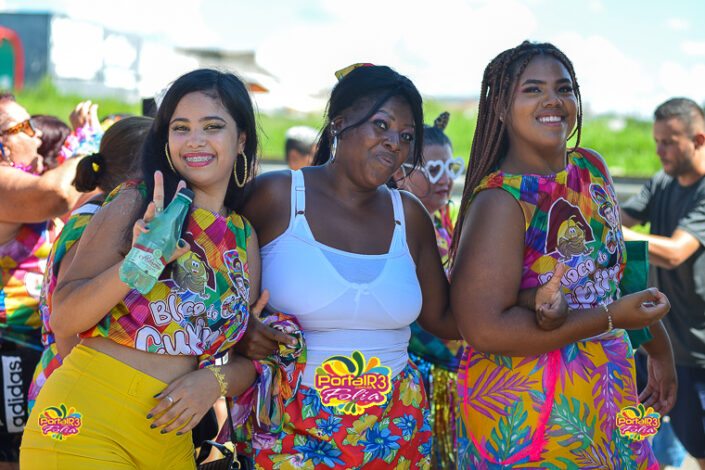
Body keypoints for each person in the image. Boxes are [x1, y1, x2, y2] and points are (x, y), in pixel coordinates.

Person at [20, 69, 291, 469]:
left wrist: (213, 382)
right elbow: (64, 319)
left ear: (241, 140)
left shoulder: (242, 236)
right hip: (87, 421)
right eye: (181, 128)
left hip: (169, 440)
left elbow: (246, 361)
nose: (195, 140)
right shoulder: (135, 201)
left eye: (212, 126)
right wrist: (138, 262)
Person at [450, 41, 672, 468]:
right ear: (500, 107)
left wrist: (659, 348)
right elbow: (484, 329)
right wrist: (610, 319)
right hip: (531, 415)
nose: (553, 100)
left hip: (609, 393)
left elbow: (611, 276)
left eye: (564, 88)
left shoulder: (591, 168)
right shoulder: (502, 201)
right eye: (532, 89)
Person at [241, 63, 458, 468]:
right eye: (381, 125)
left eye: (406, 136)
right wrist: (240, 332)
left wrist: (524, 290)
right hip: (292, 431)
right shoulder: (277, 196)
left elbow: (444, 319)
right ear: (339, 123)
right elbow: (214, 283)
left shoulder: (410, 216)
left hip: (395, 433)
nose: (394, 142)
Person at [27, 116, 153, 413]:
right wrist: (88, 385)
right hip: (71, 393)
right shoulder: (97, 222)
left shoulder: (101, 211)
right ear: (144, 169)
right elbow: (65, 319)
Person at [0, 93, 84, 467]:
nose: (36, 136)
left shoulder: (21, 180)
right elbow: (56, 195)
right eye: (23, 127)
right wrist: (87, 148)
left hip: (34, 344)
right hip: (8, 347)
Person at [621, 97, 705, 469]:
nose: (659, 151)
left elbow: (674, 252)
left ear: (698, 140)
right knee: (635, 437)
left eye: (668, 142)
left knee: (700, 450)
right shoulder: (661, 181)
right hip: (652, 346)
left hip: (695, 353)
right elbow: (620, 215)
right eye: (656, 141)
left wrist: (614, 233)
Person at [393, 111, 465, 468]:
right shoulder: (392, 227)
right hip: (412, 374)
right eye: (433, 170)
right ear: (399, 172)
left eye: (451, 168)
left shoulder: (448, 223)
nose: (445, 180)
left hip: (453, 373)